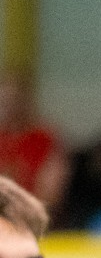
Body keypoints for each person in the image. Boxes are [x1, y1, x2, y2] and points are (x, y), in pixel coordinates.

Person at [0, 72, 64, 215]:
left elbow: (51, 193)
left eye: (15, 100)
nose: (10, 106)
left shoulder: (45, 138)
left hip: (32, 215)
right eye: (5, 100)